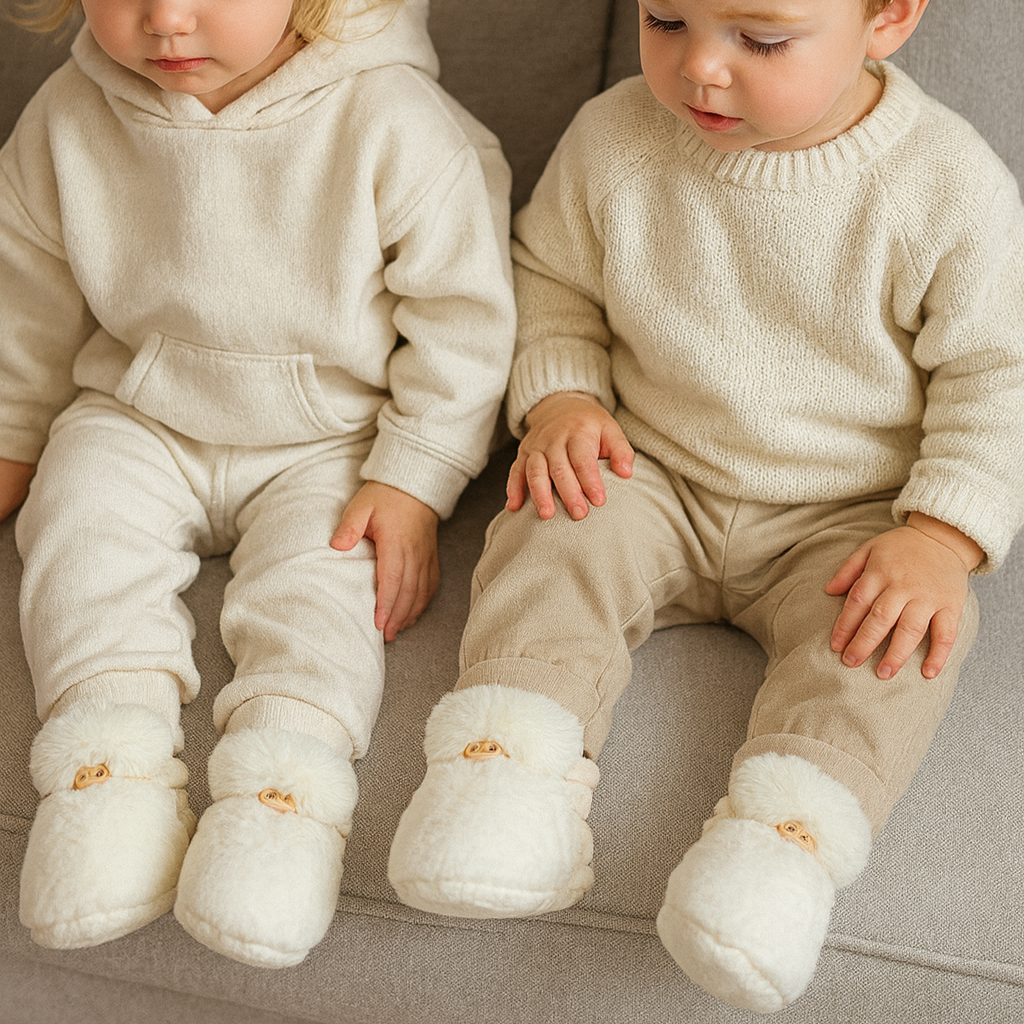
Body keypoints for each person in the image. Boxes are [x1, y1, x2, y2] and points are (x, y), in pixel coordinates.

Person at [387, 0, 1024, 1011]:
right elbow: (551, 280)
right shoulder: (614, 136)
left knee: (894, 642)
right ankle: (504, 768)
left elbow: (997, 381)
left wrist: (939, 537)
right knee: (554, 524)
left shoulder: (947, 186)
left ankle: (777, 847)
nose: (699, 70)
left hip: (846, 516)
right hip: (651, 472)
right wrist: (562, 398)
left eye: (759, 41)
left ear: (888, 19)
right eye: (666, 19)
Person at [0, 0, 515, 968]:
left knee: (323, 589)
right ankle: (106, 773)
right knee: (76, 518)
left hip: (329, 437)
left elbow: (464, 321)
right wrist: (13, 436)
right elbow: (25, 299)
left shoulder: (390, 118)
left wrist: (412, 476)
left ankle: (281, 805)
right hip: (142, 414)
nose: (164, 19)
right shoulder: (71, 115)